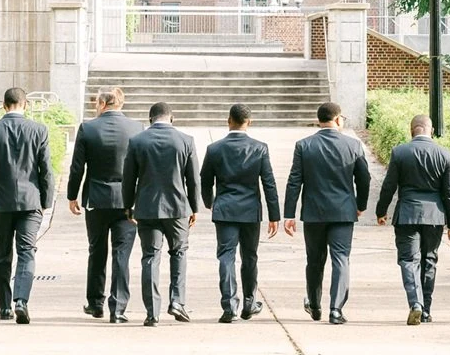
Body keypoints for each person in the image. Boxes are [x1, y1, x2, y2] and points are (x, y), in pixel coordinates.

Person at [283, 102, 370, 325]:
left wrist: (289, 214)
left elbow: (294, 181)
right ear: (338, 119)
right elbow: (364, 178)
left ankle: (314, 304)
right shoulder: (353, 145)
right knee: (341, 259)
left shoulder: (304, 145)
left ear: (319, 120)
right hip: (343, 212)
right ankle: (336, 309)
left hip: (314, 213)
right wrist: (360, 204)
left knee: (314, 260)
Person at [0, 86, 53, 324]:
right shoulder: (39, 130)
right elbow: (46, 171)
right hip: (31, 201)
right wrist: (46, 201)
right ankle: (21, 300)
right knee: (27, 251)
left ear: (4, 105)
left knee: (3, 251)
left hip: (1, 201)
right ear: (25, 105)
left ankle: (3, 307)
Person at [376, 113, 450, 325]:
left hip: (407, 213)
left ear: (411, 130)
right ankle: (426, 310)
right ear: (431, 130)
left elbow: (389, 185)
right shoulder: (444, 154)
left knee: (408, 260)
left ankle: (415, 303)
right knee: (429, 260)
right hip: (435, 215)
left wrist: (381, 210)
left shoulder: (400, 152)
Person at [68, 86, 142, 323]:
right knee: (122, 254)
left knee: (97, 251)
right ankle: (118, 308)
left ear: (102, 104)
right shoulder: (136, 128)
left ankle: (96, 304)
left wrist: (72, 196)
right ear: (120, 103)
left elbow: (77, 166)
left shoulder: (88, 128)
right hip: (127, 201)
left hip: (97, 200)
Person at [200, 104, 281, 323]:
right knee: (250, 257)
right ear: (249, 122)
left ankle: (229, 306)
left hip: (225, 209)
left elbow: (205, 180)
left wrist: (210, 203)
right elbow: (269, 183)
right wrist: (275, 215)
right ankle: (249, 302)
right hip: (249, 210)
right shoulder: (259, 148)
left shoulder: (214, 149)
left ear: (229, 120)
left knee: (226, 257)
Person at [123, 102, 200, 326]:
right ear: (171, 118)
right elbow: (193, 179)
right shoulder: (186, 141)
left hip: (147, 209)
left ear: (150, 120)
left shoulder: (137, 141)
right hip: (177, 209)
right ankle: (177, 302)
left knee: (150, 257)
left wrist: (128, 206)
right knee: (179, 252)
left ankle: (152, 312)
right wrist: (194, 207)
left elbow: (129, 179)